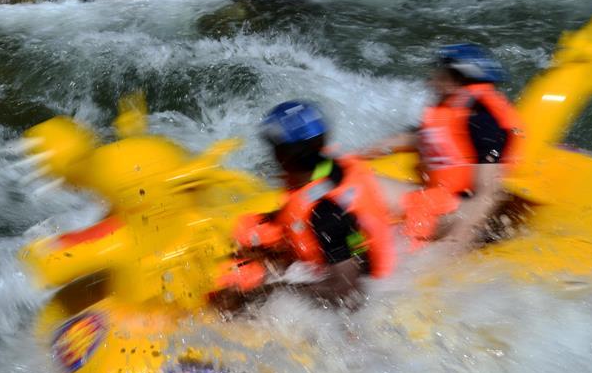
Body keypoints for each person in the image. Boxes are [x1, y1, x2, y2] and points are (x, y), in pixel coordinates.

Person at [216, 101, 395, 307]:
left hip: (357, 284)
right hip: (334, 248)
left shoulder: (325, 214)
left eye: (274, 146)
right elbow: (303, 203)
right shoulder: (329, 168)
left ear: (284, 155)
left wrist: (262, 295)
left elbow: (346, 288)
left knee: (236, 299)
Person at [358, 43, 525, 251]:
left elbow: (489, 194)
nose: (431, 79)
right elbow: (415, 139)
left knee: (360, 189)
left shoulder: (484, 122)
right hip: (438, 200)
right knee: (354, 179)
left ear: (455, 79)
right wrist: (355, 157)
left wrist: (453, 243)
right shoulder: (453, 110)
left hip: (462, 212)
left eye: (439, 71)